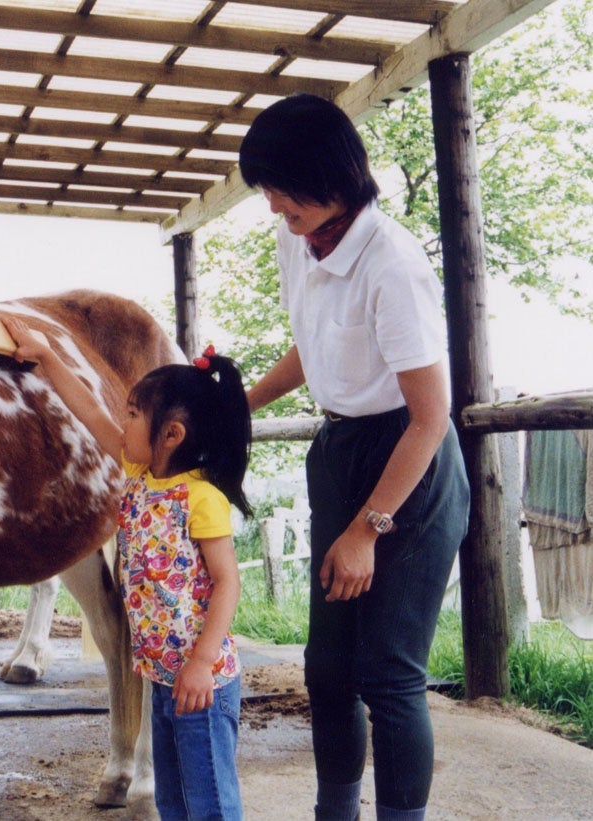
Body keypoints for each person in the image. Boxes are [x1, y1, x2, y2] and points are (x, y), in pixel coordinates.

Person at [238, 93, 470, 821]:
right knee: (328, 669)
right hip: (340, 448)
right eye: (265, 188)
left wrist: (368, 528)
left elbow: (430, 417)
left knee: (387, 673)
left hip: (409, 462)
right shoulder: (299, 237)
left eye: (280, 186)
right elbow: (312, 344)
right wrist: (240, 404)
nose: (272, 203)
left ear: (329, 174)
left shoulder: (391, 263)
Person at [6, 318, 252, 821]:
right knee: (172, 799)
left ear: (172, 435)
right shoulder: (139, 476)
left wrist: (202, 662)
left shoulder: (201, 498)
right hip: (161, 676)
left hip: (200, 680)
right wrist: (47, 356)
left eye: (134, 414)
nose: (122, 423)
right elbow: (89, 410)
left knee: (209, 802)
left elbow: (228, 582)